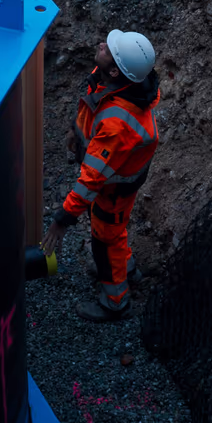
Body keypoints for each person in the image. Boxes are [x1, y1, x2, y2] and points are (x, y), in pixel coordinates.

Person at [41, 30, 159, 323]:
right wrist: (75, 131)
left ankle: (115, 302)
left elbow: (91, 181)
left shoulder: (118, 126)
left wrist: (61, 221)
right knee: (112, 232)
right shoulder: (114, 79)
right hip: (112, 181)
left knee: (104, 242)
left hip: (113, 189)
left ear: (115, 71)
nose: (101, 45)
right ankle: (128, 268)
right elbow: (91, 101)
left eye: (108, 49)